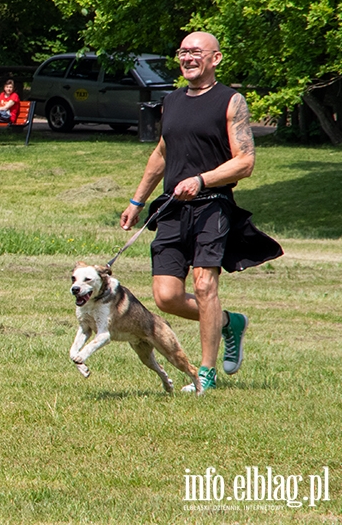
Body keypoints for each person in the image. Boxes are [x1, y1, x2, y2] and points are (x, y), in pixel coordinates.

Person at [119, 31, 282, 394]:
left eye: (196, 52)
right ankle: (228, 321)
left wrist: (202, 180)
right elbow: (161, 153)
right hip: (173, 209)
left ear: (216, 59)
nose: (188, 58)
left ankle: (205, 373)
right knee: (165, 296)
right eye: (182, 52)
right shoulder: (171, 101)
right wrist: (137, 201)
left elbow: (245, 161)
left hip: (213, 206)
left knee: (205, 284)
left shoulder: (230, 101)